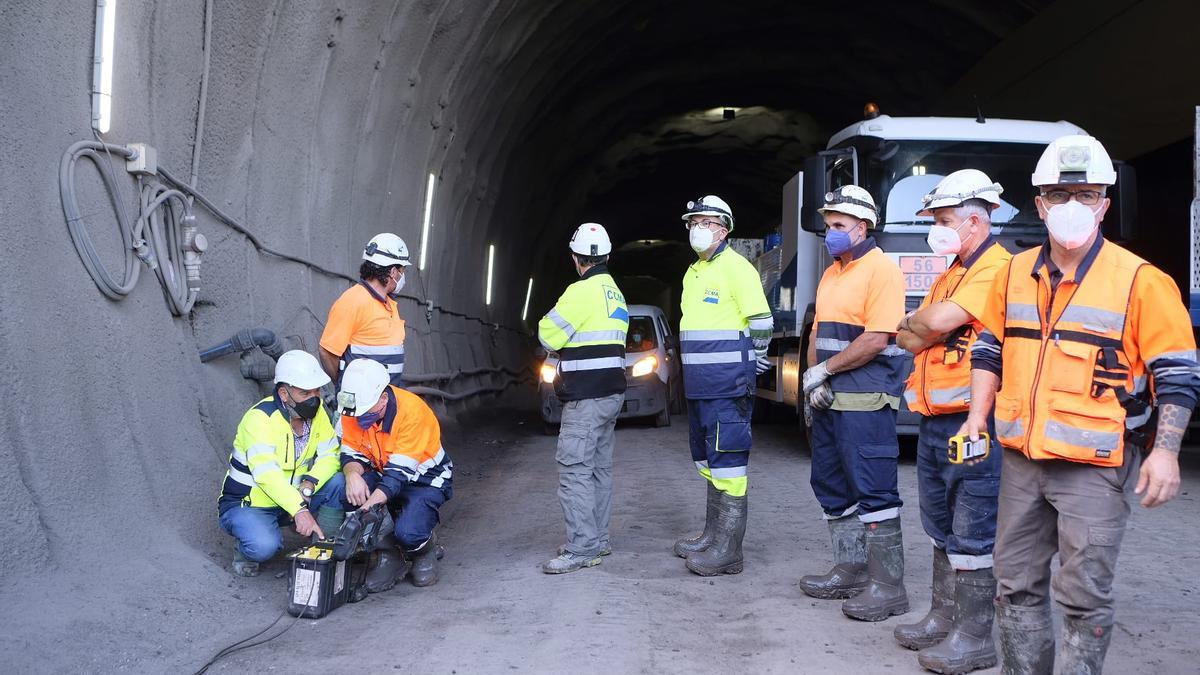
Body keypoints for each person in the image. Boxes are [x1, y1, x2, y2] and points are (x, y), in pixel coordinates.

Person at [964, 134, 1200, 673]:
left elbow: (1179, 374)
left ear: (1105, 205)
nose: (1073, 205)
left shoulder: (1142, 282)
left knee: (1083, 593)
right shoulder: (1012, 273)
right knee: (1014, 582)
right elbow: (989, 347)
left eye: (1087, 194)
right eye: (1059, 194)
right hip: (1022, 459)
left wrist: (1165, 452)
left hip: (1095, 468)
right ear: (1039, 204)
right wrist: (977, 417)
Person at [893, 170, 1012, 673]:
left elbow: (932, 325)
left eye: (944, 220)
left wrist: (929, 326)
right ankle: (943, 618)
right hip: (935, 417)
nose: (936, 229)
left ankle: (974, 635)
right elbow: (908, 335)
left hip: (975, 420)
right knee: (940, 523)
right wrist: (924, 326)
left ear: (976, 220)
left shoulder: (997, 268)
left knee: (973, 526)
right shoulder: (952, 270)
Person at [798, 185, 908, 622]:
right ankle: (851, 567)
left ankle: (888, 586)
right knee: (831, 484)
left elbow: (877, 338)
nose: (831, 234)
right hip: (829, 399)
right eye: (828, 226)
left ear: (863, 227)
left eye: (839, 226)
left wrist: (826, 372)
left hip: (865, 398)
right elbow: (816, 333)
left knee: (874, 489)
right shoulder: (832, 272)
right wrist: (811, 379)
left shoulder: (882, 271)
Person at [673, 195, 773, 576]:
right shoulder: (693, 272)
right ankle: (712, 536)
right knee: (709, 462)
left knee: (729, 465)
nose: (698, 228)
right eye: (693, 221)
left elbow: (761, 319)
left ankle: (728, 551)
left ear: (724, 229)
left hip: (728, 386)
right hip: (701, 387)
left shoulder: (738, 268)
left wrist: (755, 360)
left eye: (706, 221)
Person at [537, 223, 628, 574]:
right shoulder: (614, 292)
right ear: (606, 255)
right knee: (599, 470)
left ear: (577, 259)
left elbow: (548, 335)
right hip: (611, 395)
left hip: (585, 397)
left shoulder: (580, 291)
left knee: (575, 469)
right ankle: (598, 539)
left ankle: (582, 547)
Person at [217, 350, 344, 577]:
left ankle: (324, 546)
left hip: (296, 497)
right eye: (306, 392)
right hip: (251, 504)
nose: (315, 397)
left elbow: (330, 455)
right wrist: (299, 510)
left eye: (316, 390)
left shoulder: (318, 414)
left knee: (338, 482)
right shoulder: (259, 419)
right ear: (284, 394)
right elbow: (267, 474)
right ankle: (246, 551)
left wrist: (309, 485)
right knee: (263, 546)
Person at [337, 358, 454, 590]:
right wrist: (352, 476)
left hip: (426, 480)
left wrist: (367, 509)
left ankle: (425, 549)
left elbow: (397, 477)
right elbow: (351, 455)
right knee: (348, 495)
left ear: (383, 399)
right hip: (384, 472)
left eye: (364, 412)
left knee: (409, 532)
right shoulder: (353, 408)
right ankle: (389, 556)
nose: (358, 419)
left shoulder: (412, 412)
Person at [320, 233, 411, 387]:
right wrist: (344, 384)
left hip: (386, 398)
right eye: (402, 271)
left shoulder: (389, 303)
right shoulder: (353, 301)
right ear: (393, 272)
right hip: (360, 403)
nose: (403, 276)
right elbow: (327, 352)